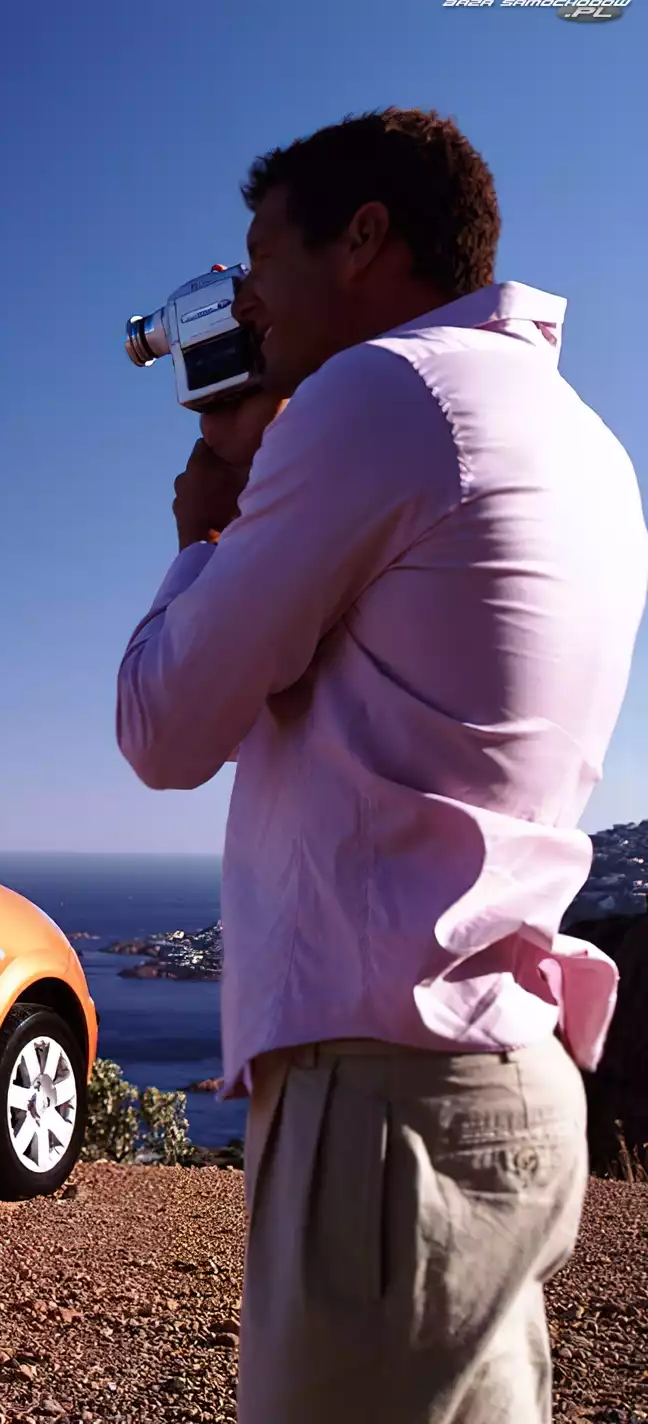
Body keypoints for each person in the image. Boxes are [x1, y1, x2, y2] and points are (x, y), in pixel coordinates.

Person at [114, 109, 645, 1424]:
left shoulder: (382, 393)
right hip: (502, 1075)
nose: (242, 297)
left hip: (382, 1101)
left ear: (363, 238)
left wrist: (202, 537)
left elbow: (166, 728)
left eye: (258, 258)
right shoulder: (582, 437)